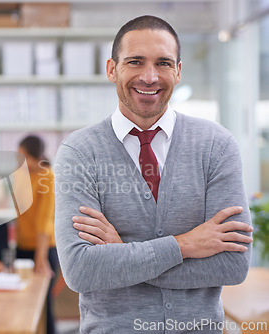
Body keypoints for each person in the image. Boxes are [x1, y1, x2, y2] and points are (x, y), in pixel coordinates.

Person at [54, 15, 253, 333]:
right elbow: (80, 271)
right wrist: (186, 245)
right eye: (135, 61)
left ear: (178, 71)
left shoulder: (216, 145)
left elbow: (233, 265)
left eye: (163, 63)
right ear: (112, 69)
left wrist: (122, 256)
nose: (149, 76)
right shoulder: (80, 152)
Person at [15, 135, 58, 334]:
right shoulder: (20, 175)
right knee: (21, 304)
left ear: (34, 156)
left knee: (43, 305)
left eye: (22, 156)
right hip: (22, 248)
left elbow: (44, 221)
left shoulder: (47, 176)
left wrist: (40, 258)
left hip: (43, 249)